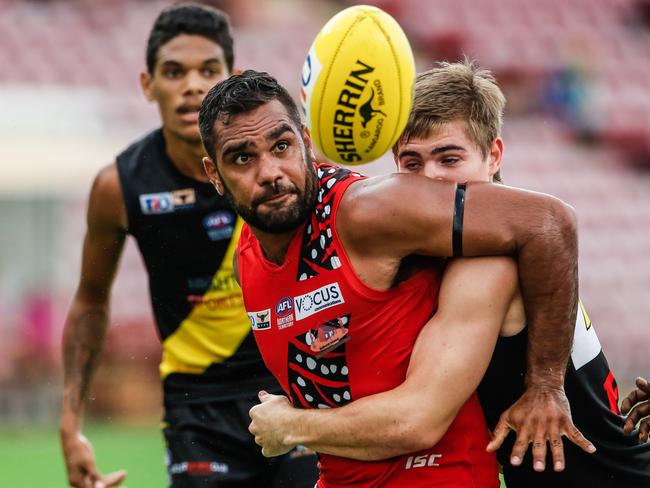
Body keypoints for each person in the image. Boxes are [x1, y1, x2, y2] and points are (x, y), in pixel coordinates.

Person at [246, 61, 650, 487]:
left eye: (449, 158)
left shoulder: (488, 261)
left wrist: (292, 425)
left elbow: (418, 418)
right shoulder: (480, 247)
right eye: (412, 163)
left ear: (493, 156)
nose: (432, 177)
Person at [59, 5, 317, 488]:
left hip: (294, 385)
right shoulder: (120, 186)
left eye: (208, 71)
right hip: (197, 410)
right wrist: (71, 422)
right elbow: (90, 302)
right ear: (147, 84)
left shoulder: (288, 168)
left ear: (230, 77)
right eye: (174, 72)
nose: (192, 85)